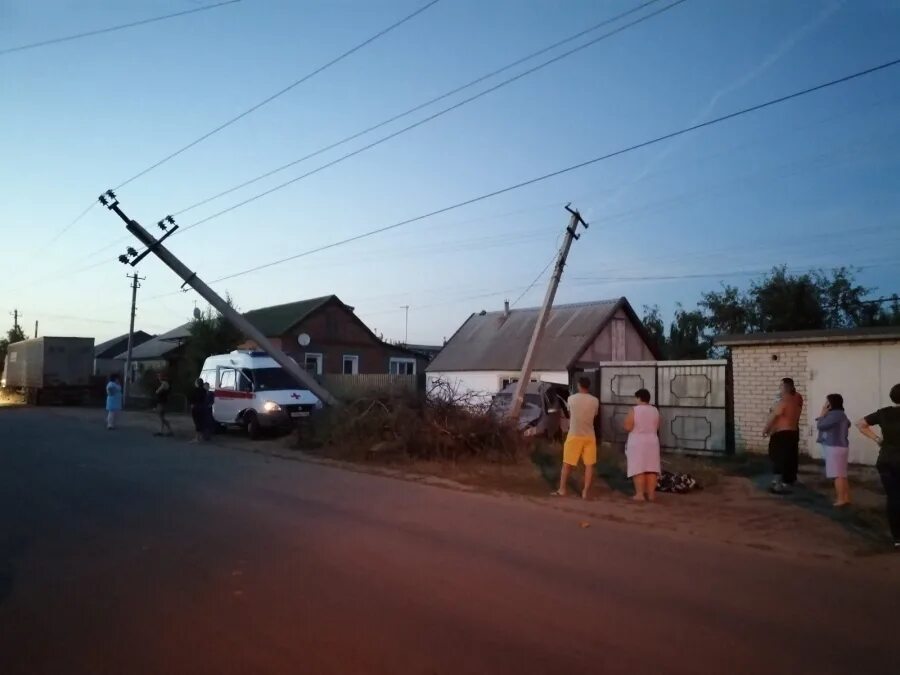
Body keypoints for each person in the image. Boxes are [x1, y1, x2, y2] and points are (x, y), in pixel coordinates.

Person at [856, 383, 900, 550]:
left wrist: (877, 439)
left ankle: (897, 538)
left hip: (886, 460)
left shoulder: (884, 413)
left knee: (894, 498)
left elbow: (860, 424)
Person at [553, 377, 599, 499]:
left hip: (574, 434)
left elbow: (569, 412)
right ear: (589, 386)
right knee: (589, 465)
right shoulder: (594, 400)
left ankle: (562, 489)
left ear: (578, 385)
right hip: (589, 435)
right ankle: (585, 491)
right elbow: (595, 415)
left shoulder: (571, 399)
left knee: (567, 463)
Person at [763, 377, 804, 494]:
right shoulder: (797, 398)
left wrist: (766, 429)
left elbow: (774, 416)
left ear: (785, 387)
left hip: (781, 433)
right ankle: (789, 480)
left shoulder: (783, 401)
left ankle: (777, 483)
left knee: (777, 456)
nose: (779, 388)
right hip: (793, 431)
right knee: (791, 457)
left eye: (780, 386)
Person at [623, 389, 661, 502]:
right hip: (652, 441)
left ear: (639, 398)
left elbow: (628, 426)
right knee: (651, 468)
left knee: (638, 468)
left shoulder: (634, 410)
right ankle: (651, 495)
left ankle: (639, 494)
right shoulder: (655, 410)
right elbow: (657, 426)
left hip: (637, 442)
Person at [815, 393, 851, 507]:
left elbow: (821, 426)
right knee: (842, 474)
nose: (825, 404)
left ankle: (841, 499)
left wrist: (822, 414)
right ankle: (846, 497)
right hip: (841, 446)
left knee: (837, 475)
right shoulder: (841, 414)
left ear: (831, 403)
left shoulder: (835, 415)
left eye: (827, 402)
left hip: (834, 447)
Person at [154, 373, 173, 437]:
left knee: (161, 417)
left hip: (162, 402)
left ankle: (167, 430)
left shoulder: (164, 384)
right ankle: (163, 431)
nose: (159, 378)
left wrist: (158, 390)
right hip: (162, 402)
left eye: (159, 376)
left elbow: (157, 391)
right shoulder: (164, 384)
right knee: (161, 417)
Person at [189, 378, 208, 443]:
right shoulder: (204, 390)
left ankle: (197, 438)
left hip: (196, 407)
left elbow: (192, 399)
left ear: (197, 383)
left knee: (197, 422)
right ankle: (202, 436)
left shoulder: (195, 390)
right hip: (203, 407)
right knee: (201, 422)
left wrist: (192, 405)